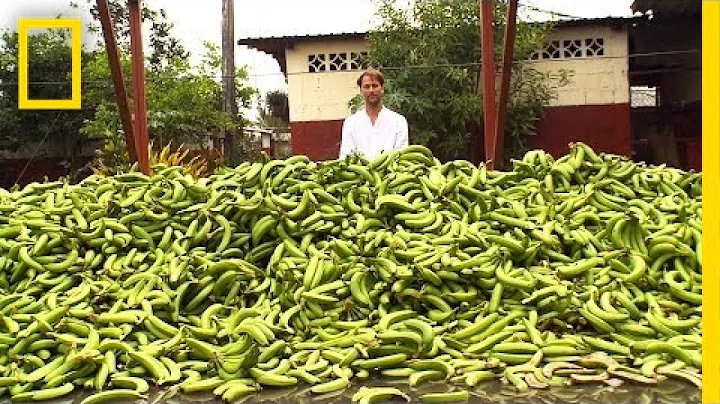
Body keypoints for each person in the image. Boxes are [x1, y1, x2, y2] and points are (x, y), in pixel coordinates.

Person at [338, 68, 409, 160]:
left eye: (375, 86)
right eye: (367, 86)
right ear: (361, 91)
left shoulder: (398, 121)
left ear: (382, 89)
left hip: (390, 173)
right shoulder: (351, 123)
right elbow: (346, 157)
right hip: (360, 173)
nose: (371, 90)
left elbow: (401, 157)